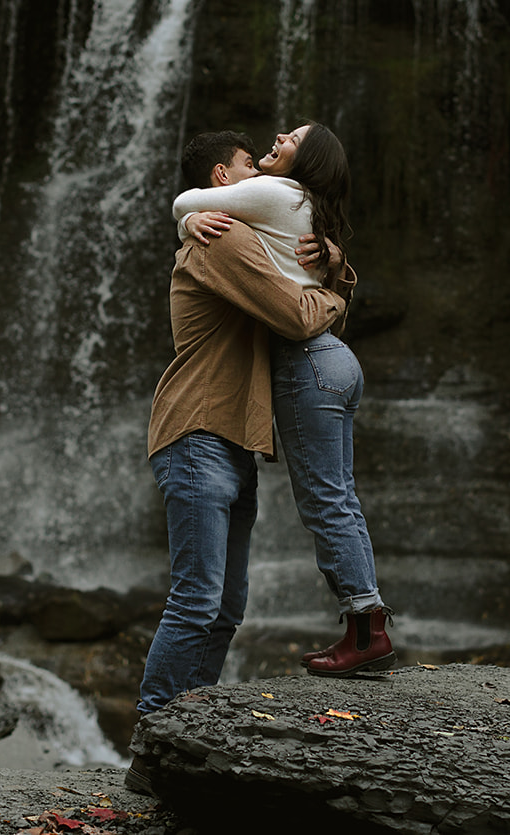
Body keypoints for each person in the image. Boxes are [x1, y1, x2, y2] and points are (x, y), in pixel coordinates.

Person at [135, 130, 354, 743]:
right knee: (197, 602)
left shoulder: (244, 237)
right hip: (199, 431)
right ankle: (152, 737)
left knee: (224, 609)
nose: (262, 169)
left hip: (233, 440)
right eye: (248, 165)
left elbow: (301, 305)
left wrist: (331, 262)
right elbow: (298, 315)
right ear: (223, 180)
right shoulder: (223, 237)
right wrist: (334, 288)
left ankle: (184, 732)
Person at [172, 123, 393, 679]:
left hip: (307, 362)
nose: (277, 135)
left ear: (308, 159)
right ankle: (367, 624)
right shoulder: (305, 211)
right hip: (336, 362)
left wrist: (187, 216)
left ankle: (366, 628)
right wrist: (339, 283)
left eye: (292, 135)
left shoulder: (275, 194)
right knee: (339, 494)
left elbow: (294, 318)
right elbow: (318, 287)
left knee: (323, 499)